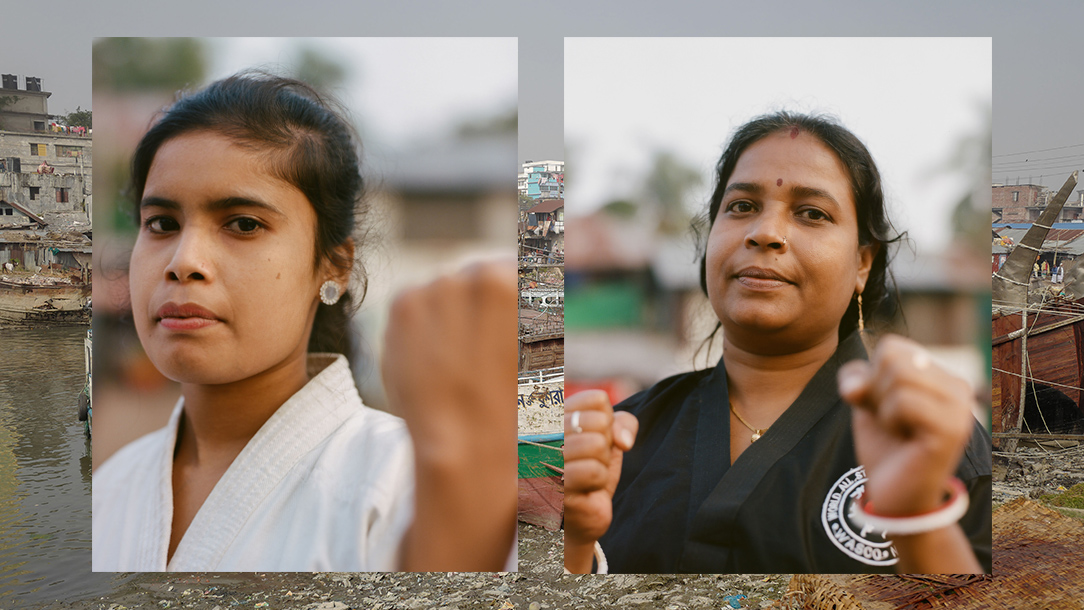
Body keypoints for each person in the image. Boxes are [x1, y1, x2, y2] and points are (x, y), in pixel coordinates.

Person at [92, 73, 517, 572]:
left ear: (332, 265)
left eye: (243, 224)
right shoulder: (110, 488)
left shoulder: (408, 481)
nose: (184, 261)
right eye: (162, 224)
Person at [564, 112, 991, 574]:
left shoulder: (930, 441)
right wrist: (575, 545)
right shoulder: (625, 436)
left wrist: (917, 516)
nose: (764, 232)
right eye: (742, 206)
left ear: (862, 263)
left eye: (812, 213)